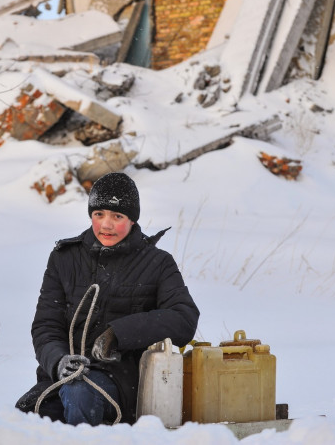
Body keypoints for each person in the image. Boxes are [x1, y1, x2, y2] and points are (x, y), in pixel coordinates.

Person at [15, 172, 200, 425]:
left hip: (122, 382)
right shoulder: (64, 258)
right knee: (25, 416)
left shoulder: (158, 263)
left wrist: (119, 333)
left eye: (117, 216)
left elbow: (184, 318)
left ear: (132, 219)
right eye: (99, 214)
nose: (106, 225)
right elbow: (46, 325)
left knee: (79, 394)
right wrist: (58, 361)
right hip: (62, 377)